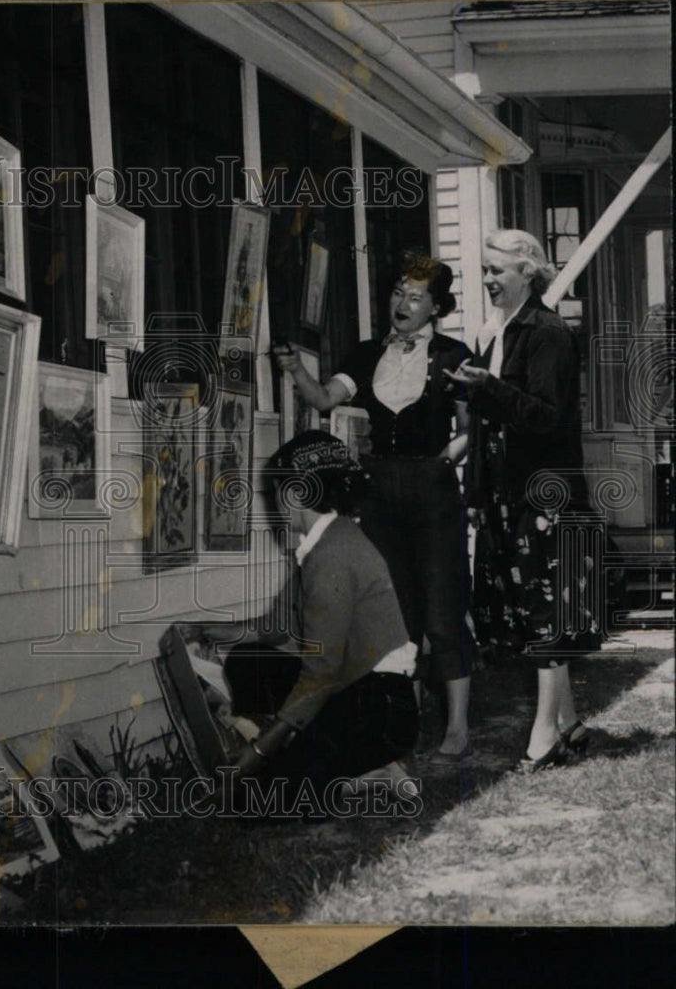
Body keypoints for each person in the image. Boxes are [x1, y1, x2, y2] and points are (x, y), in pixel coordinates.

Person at [276, 256, 477, 760]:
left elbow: (470, 428)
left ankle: (457, 727)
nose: (401, 305)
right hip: (378, 489)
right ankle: (404, 720)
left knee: (442, 606)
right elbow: (323, 399)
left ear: (436, 306)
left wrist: (439, 464)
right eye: (397, 293)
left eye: (414, 296)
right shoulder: (366, 354)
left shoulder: (454, 353)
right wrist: (296, 369)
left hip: (432, 489)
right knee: (397, 610)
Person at [182, 430, 419, 791]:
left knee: (258, 800)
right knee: (249, 660)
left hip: (380, 708)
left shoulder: (332, 556)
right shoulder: (329, 539)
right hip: (363, 692)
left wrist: (260, 752)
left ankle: (367, 771)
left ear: (294, 493)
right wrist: (207, 628)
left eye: (275, 493)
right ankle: (334, 765)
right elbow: (277, 626)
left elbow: (321, 673)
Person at [445, 228, 595, 771]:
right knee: (532, 606)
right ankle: (569, 722)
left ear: (527, 272)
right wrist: (477, 489)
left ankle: (543, 736)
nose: (486, 280)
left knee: (544, 609)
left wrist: (488, 388)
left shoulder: (547, 333)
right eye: (484, 271)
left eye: (496, 271)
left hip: (544, 493)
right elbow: (493, 422)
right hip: (509, 493)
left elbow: (547, 416)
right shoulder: (500, 331)